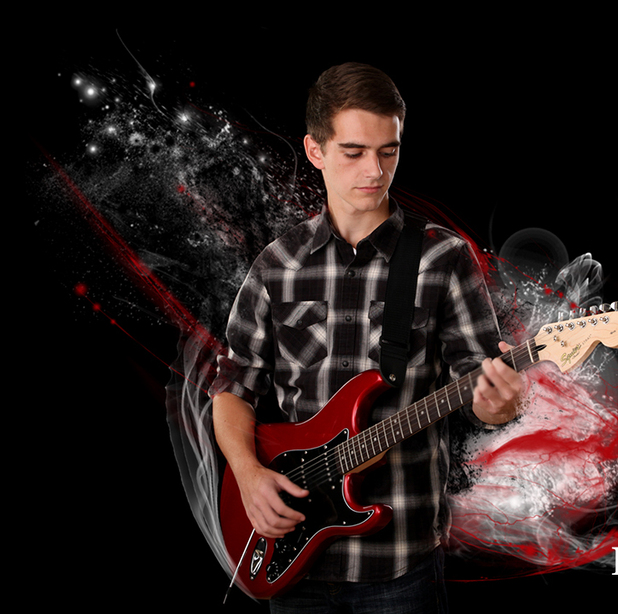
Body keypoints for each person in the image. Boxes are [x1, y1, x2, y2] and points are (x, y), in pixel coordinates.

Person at [209, 62, 523, 613]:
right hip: (288, 550)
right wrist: (248, 472)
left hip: (400, 560)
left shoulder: (442, 258)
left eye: (389, 151)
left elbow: (480, 393)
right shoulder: (277, 265)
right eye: (353, 152)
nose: (374, 171)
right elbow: (234, 386)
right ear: (315, 151)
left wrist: (497, 407)